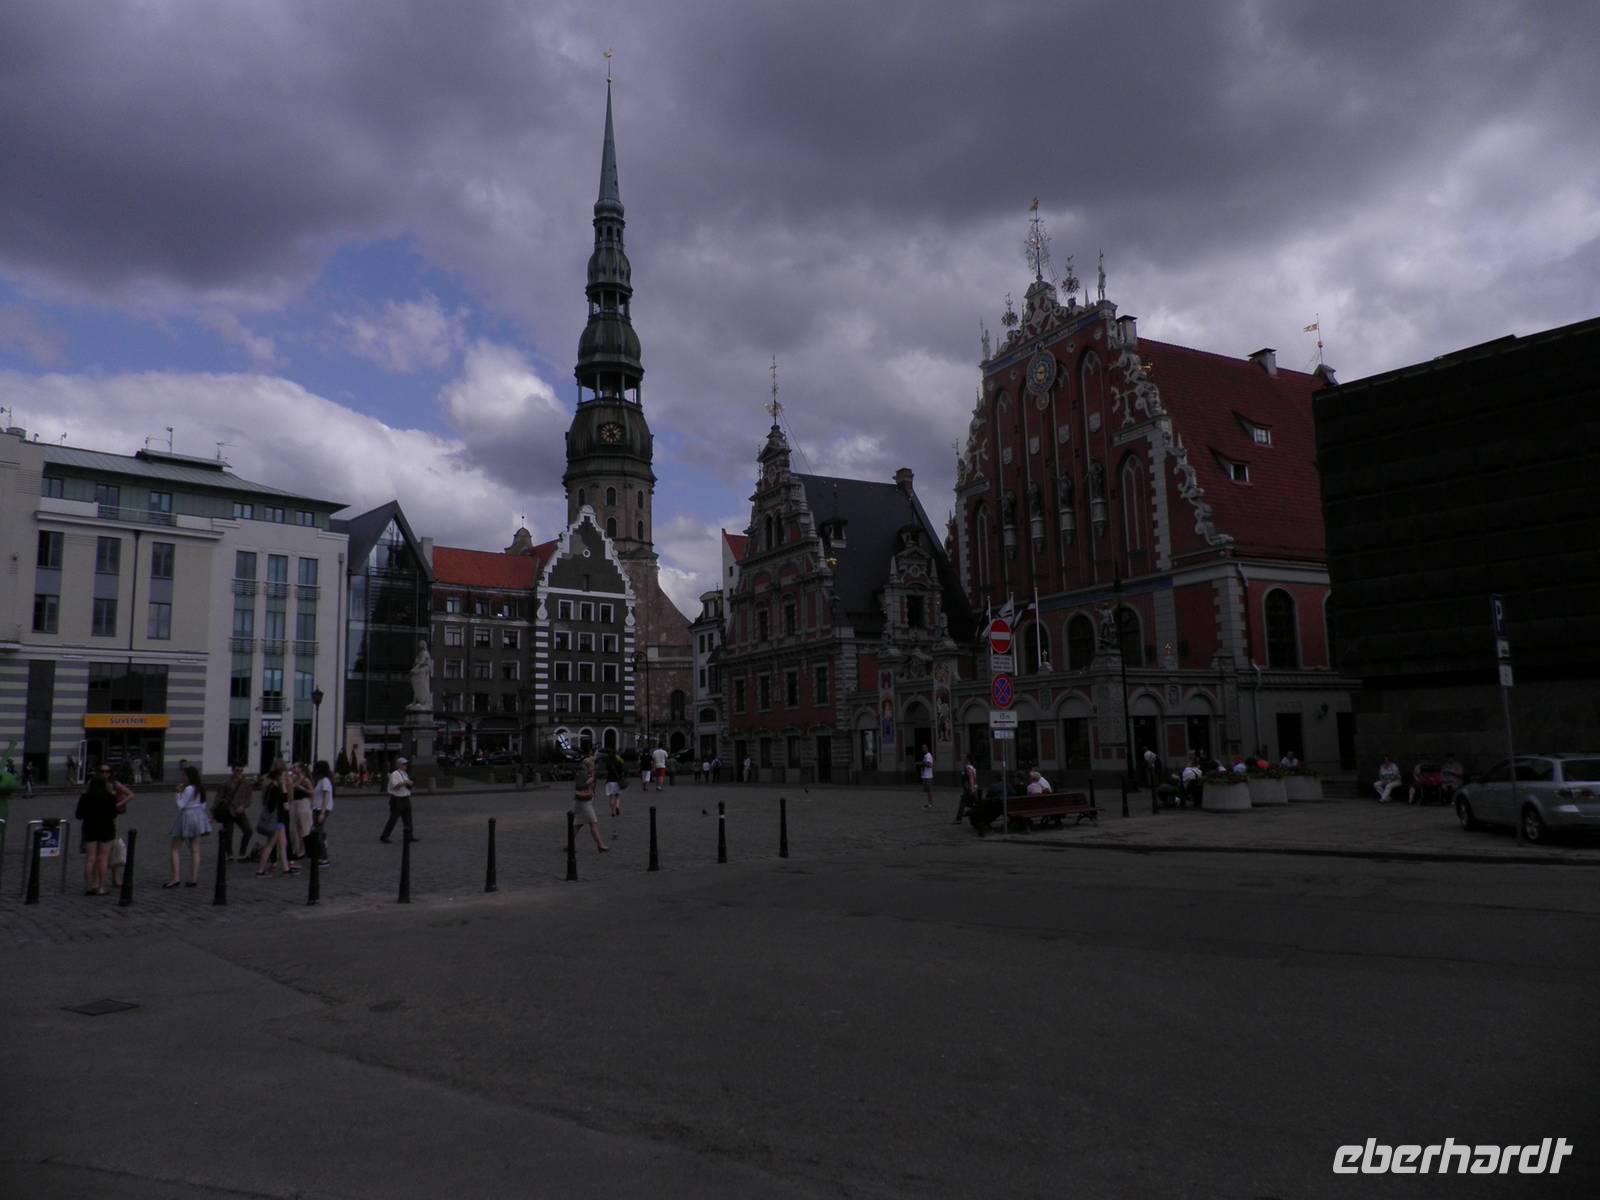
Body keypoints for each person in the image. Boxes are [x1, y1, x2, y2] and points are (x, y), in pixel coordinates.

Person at [75, 766, 130, 895]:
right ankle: (101, 887)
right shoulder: (109, 797)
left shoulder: (85, 797)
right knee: (103, 858)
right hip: (106, 828)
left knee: (90, 858)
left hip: (89, 828)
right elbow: (114, 814)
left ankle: (88, 887)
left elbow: (78, 815)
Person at [166, 764, 212, 888]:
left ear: (189, 776)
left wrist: (178, 792)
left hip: (187, 816)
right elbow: (203, 805)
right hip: (198, 816)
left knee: (175, 847)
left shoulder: (188, 789)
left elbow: (180, 805)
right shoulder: (200, 788)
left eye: (184, 775)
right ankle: (194, 879)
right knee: (195, 849)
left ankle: (176, 878)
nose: (182, 777)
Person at [255, 765, 293, 876]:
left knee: (283, 843)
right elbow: (286, 806)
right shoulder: (276, 789)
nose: (285, 778)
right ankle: (260, 870)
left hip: (277, 820)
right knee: (270, 845)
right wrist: (285, 788)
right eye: (284, 776)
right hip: (276, 820)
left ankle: (286, 868)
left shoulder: (271, 787)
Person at [212, 764, 255, 861]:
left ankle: (242, 852)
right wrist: (213, 813)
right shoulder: (225, 783)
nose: (238, 773)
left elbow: (249, 798)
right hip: (228, 811)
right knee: (229, 834)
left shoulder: (246, 783)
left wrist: (243, 806)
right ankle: (230, 854)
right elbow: (218, 799)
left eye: (241, 770)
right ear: (232, 771)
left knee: (248, 830)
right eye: (237, 770)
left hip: (239, 811)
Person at [569, 752, 609, 853]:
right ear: (589, 766)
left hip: (585, 801)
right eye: (593, 765)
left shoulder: (591, 773)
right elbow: (578, 786)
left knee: (578, 825)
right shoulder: (582, 773)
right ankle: (600, 845)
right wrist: (589, 781)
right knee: (593, 822)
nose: (595, 767)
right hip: (583, 802)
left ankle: (569, 844)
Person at [381, 757, 416, 843]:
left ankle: (410, 835)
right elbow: (395, 786)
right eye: (403, 764)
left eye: (406, 764)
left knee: (408, 819)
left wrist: (410, 784)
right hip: (397, 799)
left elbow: (406, 784)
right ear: (399, 765)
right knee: (393, 819)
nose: (406, 765)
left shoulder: (404, 773)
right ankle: (384, 836)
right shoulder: (395, 774)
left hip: (405, 797)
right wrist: (405, 782)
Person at [286, 762, 314, 859]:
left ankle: (304, 850)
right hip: (294, 803)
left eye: (295, 767)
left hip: (303, 803)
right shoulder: (293, 778)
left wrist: (302, 788)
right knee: (294, 828)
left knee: (304, 828)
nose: (292, 768)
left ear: (301, 769)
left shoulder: (305, 780)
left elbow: (312, 792)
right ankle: (296, 849)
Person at [310, 760, 334, 866]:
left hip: (321, 809)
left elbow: (326, 797)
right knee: (318, 832)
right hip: (317, 808)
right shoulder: (320, 781)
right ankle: (320, 852)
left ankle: (324, 858)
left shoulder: (325, 781)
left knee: (318, 833)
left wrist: (323, 813)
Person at [954, 754, 979, 825]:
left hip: (968, 789)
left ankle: (959, 819)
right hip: (974, 788)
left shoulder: (967, 768)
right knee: (976, 803)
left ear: (968, 759)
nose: (964, 759)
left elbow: (970, 779)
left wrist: (970, 788)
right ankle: (973, 815)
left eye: (965, 758)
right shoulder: (973, 768)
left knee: (962, 803)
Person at [605, 751, 624, 819]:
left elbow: (607, 770)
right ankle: (617, 807)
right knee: (617, 796)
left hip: (610, 781)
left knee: (611, 797)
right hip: (617, 781)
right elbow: (622, 771)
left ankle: (612, 812)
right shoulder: (619, 762)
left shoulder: (608, 763)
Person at [919, 744, 934, 810]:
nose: (923, 749)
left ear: (927, 748)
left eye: (924, 748)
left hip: (928, 776)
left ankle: (930, 803)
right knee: (926, 790)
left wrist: (923, 763)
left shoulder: (928, 755)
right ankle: (927, 803)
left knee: (929, 790)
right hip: (925, 776)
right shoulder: (925, 756)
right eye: (922, 748)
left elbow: (930, 765)